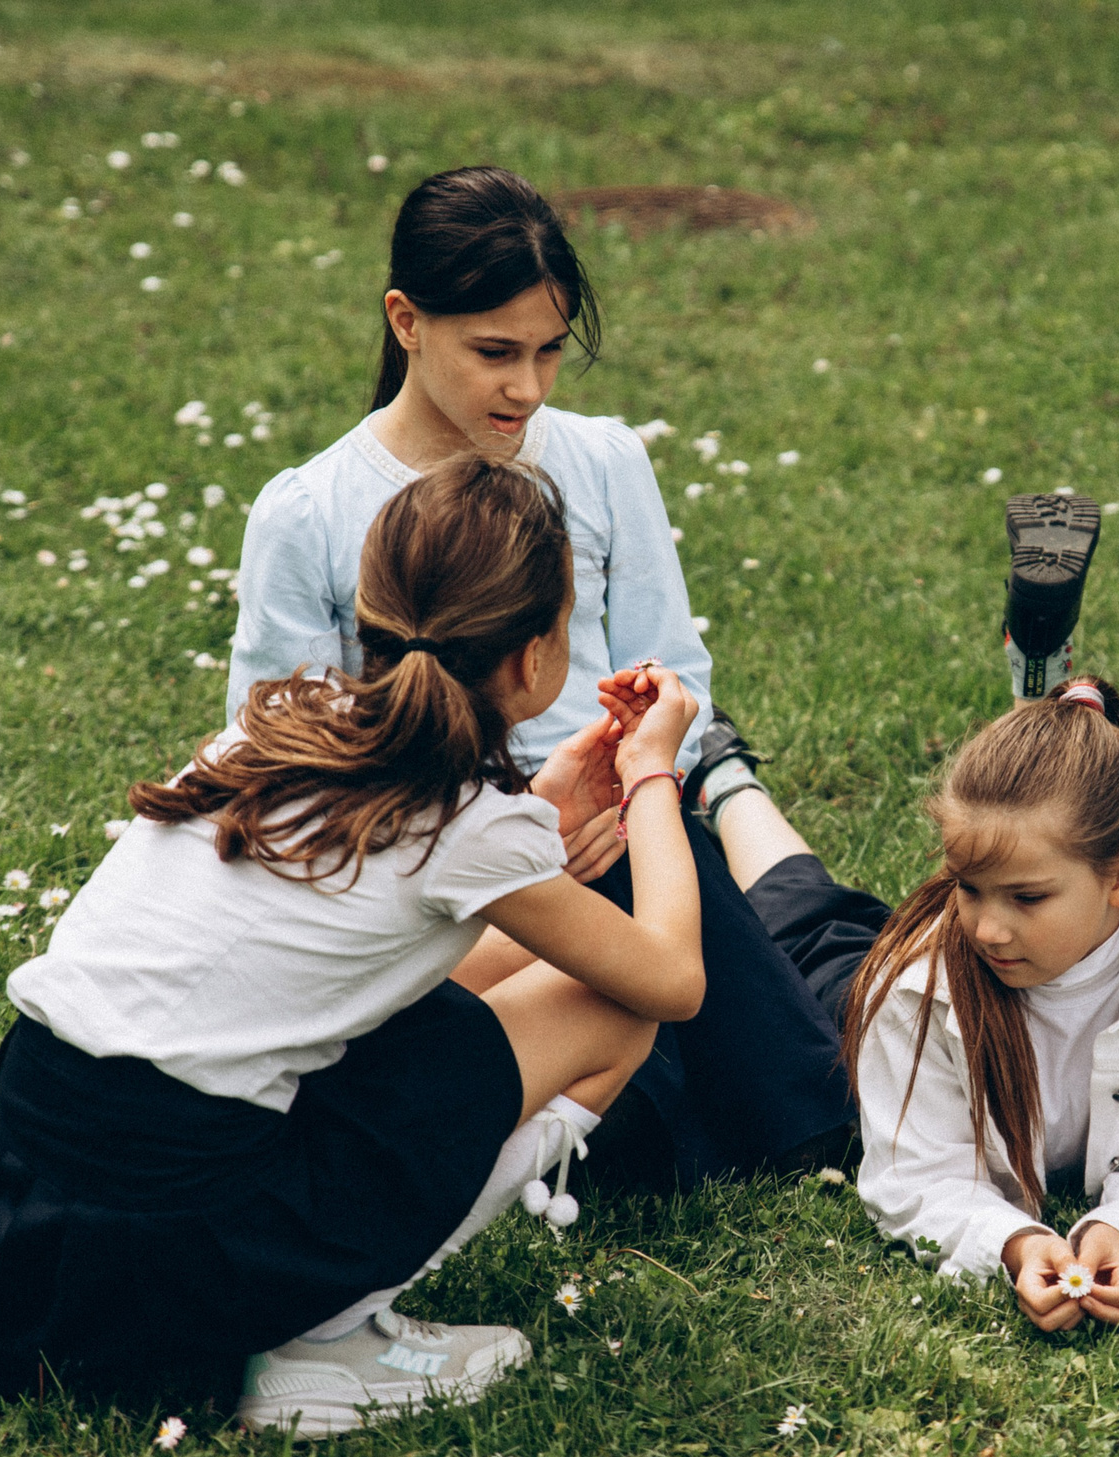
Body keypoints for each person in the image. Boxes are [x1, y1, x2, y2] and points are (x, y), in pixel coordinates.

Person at [0, 457, 705, 1435]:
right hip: (192, 1220)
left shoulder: (274, 727)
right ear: (537, 655)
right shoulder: (468, 826)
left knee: (487, 984)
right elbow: (671, 981)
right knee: (610, 1006)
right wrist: (654, 775)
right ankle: (328, 1341)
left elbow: (368, 917)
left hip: (55, 1170)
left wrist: (540, 808)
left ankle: (304, 1309)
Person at [225, 163, 849, 1188]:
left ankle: (765, 896)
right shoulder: (310, 512)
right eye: (495, 353)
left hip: (619, 826)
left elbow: (670, 670)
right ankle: (771, 919)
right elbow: (278, 761)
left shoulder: (600, 463)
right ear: (406, 321)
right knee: (639, 1145)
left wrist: (630, 775)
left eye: (550, 350)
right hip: (443, 867)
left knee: (806, 1118)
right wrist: (502, 827)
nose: (527, 386)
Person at [700, 676, 1119, 1330]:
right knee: (797, 919)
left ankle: (727, 779)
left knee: (816, 909)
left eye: (1027, 897)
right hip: (846, 999)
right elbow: (915, 1177)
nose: (990, 928)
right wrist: (1013, 1243)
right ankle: (725, 777)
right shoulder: (913, 985)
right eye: (967, 887)